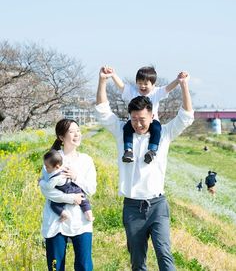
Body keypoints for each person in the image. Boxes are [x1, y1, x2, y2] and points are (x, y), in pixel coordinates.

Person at [96, 66, 194, 271]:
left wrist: (184, 86)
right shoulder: (122, 132)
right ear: (129, 117)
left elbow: (185, 117)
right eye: (134, 119)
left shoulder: (164, 134)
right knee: (137, 261)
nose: (138, 124)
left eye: (142, 120)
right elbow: (103, 111)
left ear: (152, 116)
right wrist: (103, 81)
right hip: (132, 207)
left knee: (164, 254)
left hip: (157, 205)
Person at [39, 118, 97, 271]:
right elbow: (46, 189)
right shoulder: (52, 158)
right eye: (71, 132)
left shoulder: (86, 160)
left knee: (84, 266)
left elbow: (91, 189)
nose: (76, 134)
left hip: (80, 219)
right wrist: (70, 198)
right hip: (56, 219)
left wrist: (76, 177)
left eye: (78, 131)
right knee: (56, 266)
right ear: (61, 137)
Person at [107, 66, 180, 164]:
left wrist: (178, 80)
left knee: (156, 129)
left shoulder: (156, 92)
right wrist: (113, 75)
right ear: (136, 82)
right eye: (140, 83)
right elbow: (121, 86)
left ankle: (152, 151)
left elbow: (168, 88)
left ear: (153, 84)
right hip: (134, 122)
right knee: (127, 128)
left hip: (151, 122)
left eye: (146, 84)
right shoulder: (132, 91)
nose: (142, 86)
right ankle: (128, 151)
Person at [39, 149, 94, 222]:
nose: (46, 168)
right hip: (75, 188)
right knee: (84, 201)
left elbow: (49, 187)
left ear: (57, 166)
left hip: (67, 192)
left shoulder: (55, 178)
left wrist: (41, 181)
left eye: (47, 167)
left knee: (54, 205)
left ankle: (64, 215)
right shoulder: (63, 167)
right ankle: (89, 216)